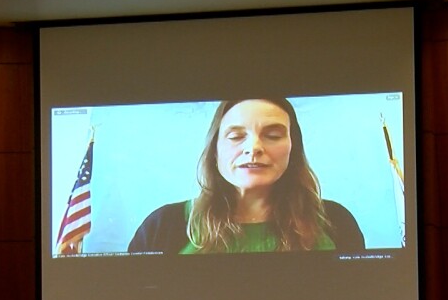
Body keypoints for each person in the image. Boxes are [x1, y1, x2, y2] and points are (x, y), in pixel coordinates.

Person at [129, 98, 365, 254]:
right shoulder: (162, 226)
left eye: (273, 135)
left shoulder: (336, 221)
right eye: (236, 136)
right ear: (215, 151)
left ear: (293, 149)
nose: (253, 148)